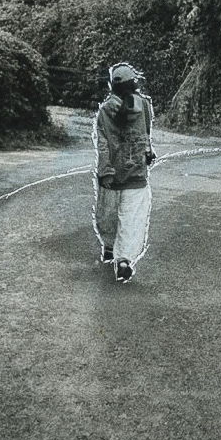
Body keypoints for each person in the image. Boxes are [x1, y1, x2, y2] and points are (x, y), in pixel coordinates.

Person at [92, 62, 156, 283]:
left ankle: (109, 246)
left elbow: (102, 144)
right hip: (137, 172)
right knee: (132, 218)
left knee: (107, 215)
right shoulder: (144, 105)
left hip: (111, 173)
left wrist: (105, 171)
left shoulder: (104, 111)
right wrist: (147, 151)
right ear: (134, 83)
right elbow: (146, 132)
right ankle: (124, 259)